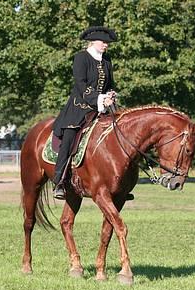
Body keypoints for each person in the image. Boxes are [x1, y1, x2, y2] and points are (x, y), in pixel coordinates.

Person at [52, 26, 117, 199]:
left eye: (107, 43)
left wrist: (110, 94)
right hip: (79, 107)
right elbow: (81, 85)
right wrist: (100, 99)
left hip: (102, 108)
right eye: (103, 42)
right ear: (93, 42)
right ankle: (59, 182)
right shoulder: (81, 57)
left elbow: (111, 83)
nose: (106, 45)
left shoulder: (107, 60)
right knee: (69, 139)